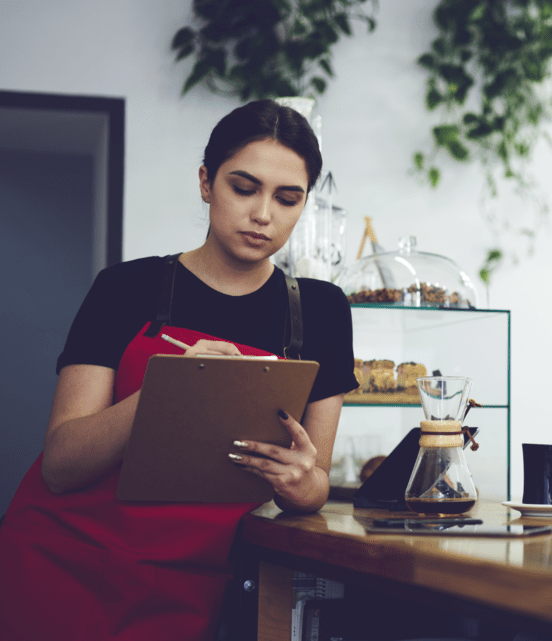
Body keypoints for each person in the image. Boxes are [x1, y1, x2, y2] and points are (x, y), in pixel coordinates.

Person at [0, 100, 357, 641]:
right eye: (244, 187)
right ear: (205, 182)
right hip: (62, 562)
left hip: (187, 581)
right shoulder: (124, 288)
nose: (264, 214)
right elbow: (61, 465)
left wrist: (303, 482)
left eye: (288, 199)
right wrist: (165, 392)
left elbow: (312, 485)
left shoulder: (322, 311)